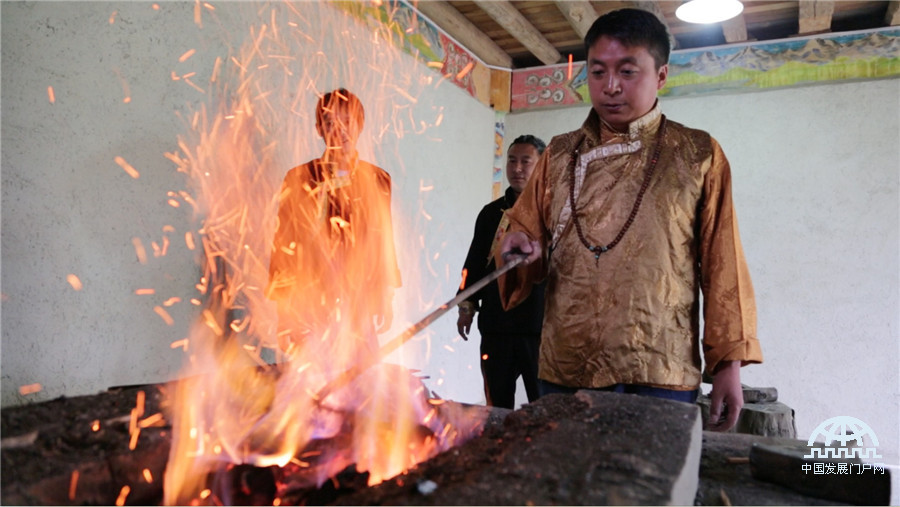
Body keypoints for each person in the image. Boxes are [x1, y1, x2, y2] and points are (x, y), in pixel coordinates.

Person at [497, 9, 762, 432]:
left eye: (627, 70)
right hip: (567, 361)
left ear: (660, 75)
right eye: (598, 72)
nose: (611, 86)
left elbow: (722, 263)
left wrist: (728, 364)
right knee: (562, 490)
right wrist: (517, 247)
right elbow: (526, 232)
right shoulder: (560, 154)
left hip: (661, 365)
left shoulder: (697, 153)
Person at [267, 89, 401, 358]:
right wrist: (282, 310)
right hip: (309, 299)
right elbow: (283, 242)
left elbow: (383, 239)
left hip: (359, 299)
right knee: (311, 382)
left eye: (347, 121)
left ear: (359, 125)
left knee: (360, 381)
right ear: (318, 128)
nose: (339, 129)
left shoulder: (377, 179)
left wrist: (386, 295)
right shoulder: (299, 177)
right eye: (329, 122)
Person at [457, 135, 547, 409]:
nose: (517, 168)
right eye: (512, 160)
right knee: (496, 405)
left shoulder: (553, 212)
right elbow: (474, 262)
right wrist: (466, 306)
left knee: (544, 405)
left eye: (525, 161)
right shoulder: (491, 213)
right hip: (497, 326)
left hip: (539, 328)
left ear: (542, 166)